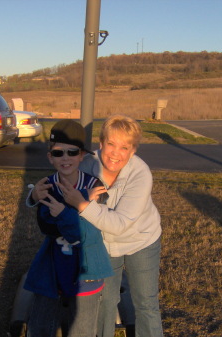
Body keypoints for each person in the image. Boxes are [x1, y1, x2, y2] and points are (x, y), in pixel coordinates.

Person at [31, 115, 164, 336]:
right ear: (101, 144)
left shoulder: (140, 173)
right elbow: (59, 178)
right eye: (110, 144)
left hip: (140, 240)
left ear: (133, 151)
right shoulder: (87, 163)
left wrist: (82, 205)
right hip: (103, 244)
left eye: (124, 147)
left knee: (146, 303)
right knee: (106, 302)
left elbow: (120, 224)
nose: (115, 153)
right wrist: (33, 196)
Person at [24, 119, 113, 337]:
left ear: (82, 155)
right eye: (58, 153)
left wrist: (66, 210)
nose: (65, 158)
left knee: (82, 330)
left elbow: (88, 234)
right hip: (52, 267)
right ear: (50, 157)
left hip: (86, 269)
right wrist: (81, 203)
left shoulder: (95, 186)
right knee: (40, 327)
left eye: (72, 152)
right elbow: (47, 226)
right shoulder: (46, 186)